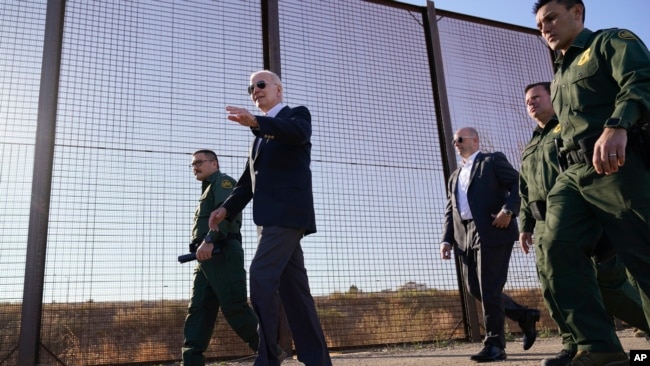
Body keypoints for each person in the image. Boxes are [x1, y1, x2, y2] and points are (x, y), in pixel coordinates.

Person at [533, 0, 650, 364]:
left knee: (642, 254)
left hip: (615, 165)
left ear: (577, 13)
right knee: (555, 247)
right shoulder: (559, 72)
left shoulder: (609, 42)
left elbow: (641, 79)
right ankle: (598, 347)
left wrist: (618, 125)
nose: (545, 29)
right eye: (539, 25)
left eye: (551, 18)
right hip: (573, 175)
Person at [209, 70, 332, 366]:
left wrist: (255, 123)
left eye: (261, 85)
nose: (255, 90)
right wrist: (225, 208)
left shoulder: (296, 115)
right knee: (296, 291)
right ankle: (318, 361)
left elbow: (297, 133)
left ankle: (266, 359)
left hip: (287, 216)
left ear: (278, 89)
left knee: (261, 276)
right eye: (251, 87)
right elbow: (247, 183)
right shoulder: (259, 140)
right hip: (268, 221)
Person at [440, 127, 540, 363]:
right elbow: (450, 209)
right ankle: (524, 315)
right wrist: (446, 239)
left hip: (494, 229)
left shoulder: (492, 160)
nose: (456, 143)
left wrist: (508, 210)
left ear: (475, 140)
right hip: (464, 235)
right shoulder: (454, 175)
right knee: (475, 288)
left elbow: (519, 183)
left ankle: (495, 345)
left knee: (489, 288)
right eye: (454, 140)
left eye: (460, 139)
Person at [182, 149, 259, 365]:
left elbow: (225, 214)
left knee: (234, 307)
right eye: (193, 164)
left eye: (199, 162)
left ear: (214, 164)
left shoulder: (223, 182)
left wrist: (210, 239)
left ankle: (270, 352)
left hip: (221, 250)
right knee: (198, 310)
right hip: (205, 256)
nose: (195, 167)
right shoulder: (206, 189)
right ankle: (190, 362)